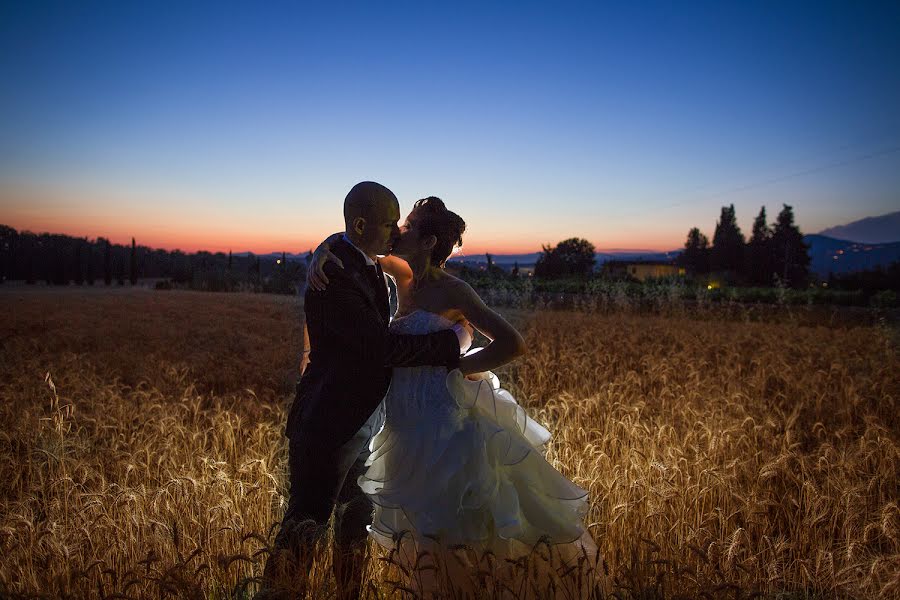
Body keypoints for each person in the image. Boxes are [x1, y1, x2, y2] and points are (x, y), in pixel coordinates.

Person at [308, 196, 598, 597]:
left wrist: (456, 368)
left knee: (452, 536)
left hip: (442, 428)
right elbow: (352, 246)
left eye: (406, 227)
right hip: (403, 430)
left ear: (427, 242)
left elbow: (511, 343)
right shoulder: (402, 276)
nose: (397, 232)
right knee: (418, 537)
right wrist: (324, 249)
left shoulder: (455, 291)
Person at [259, 182, 473, 600]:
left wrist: (330, 241)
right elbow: (381, 349)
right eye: (389, 223)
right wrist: (454, 343)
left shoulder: (364, 258)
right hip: (329, 421)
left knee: (356, 520)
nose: (395, 232)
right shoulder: (336, 272)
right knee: (306, 525)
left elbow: (353, 246)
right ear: (360, 225)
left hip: (367, 423)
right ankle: (277, 593)